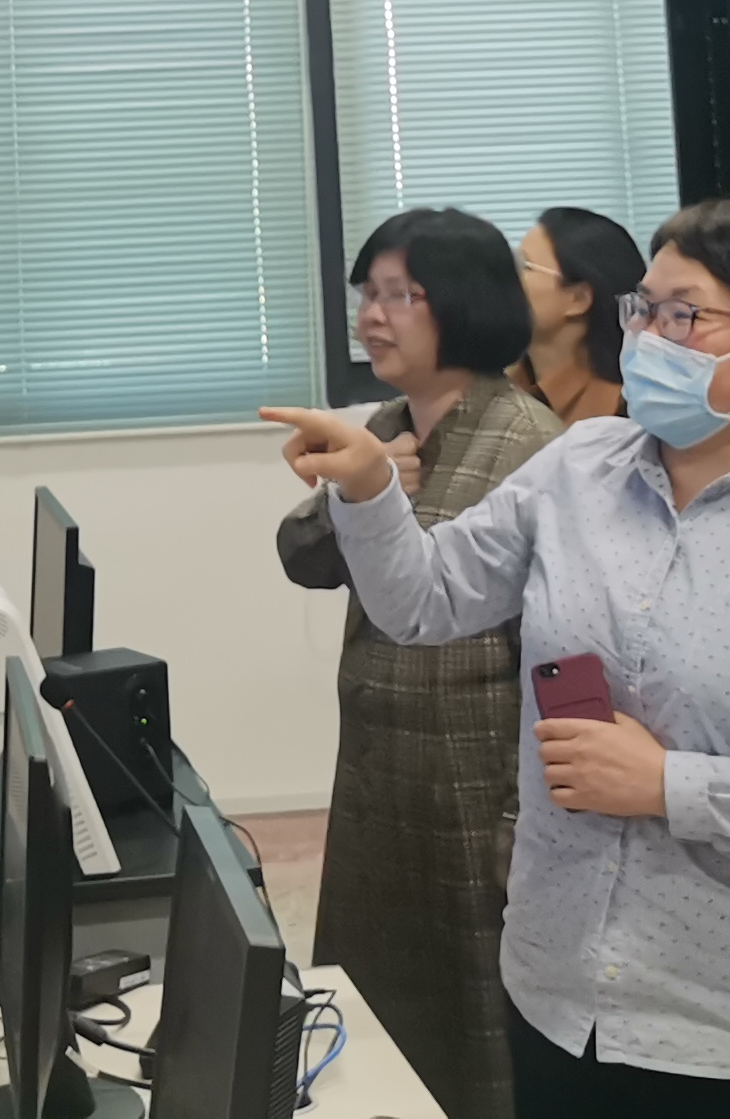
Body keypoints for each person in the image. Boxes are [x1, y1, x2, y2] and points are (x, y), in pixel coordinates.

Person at [263, 198, 730, 1119]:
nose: (649, 337)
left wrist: (670, 784)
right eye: (644, 309)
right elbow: (424, 602)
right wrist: (367, 489)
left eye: (687, 316)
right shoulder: (580, 467)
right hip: (561, 1000)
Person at [277, 209, 563, 1119]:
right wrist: (359, 494)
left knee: (478, 1046)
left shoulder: (529, 442)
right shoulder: (388, 425)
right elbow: (301, 556)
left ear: (466, 304)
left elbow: (564, 652)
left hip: (480, 798)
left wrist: (524, 826)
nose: (372, 314)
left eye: (400, 295)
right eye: (368, 293)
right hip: (380, 782)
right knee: (376, 1026)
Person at [517, 208, 646, 424]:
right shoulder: (486, 390)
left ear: (578, 299)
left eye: (524, 265)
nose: (504, 277)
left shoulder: (626, 416)